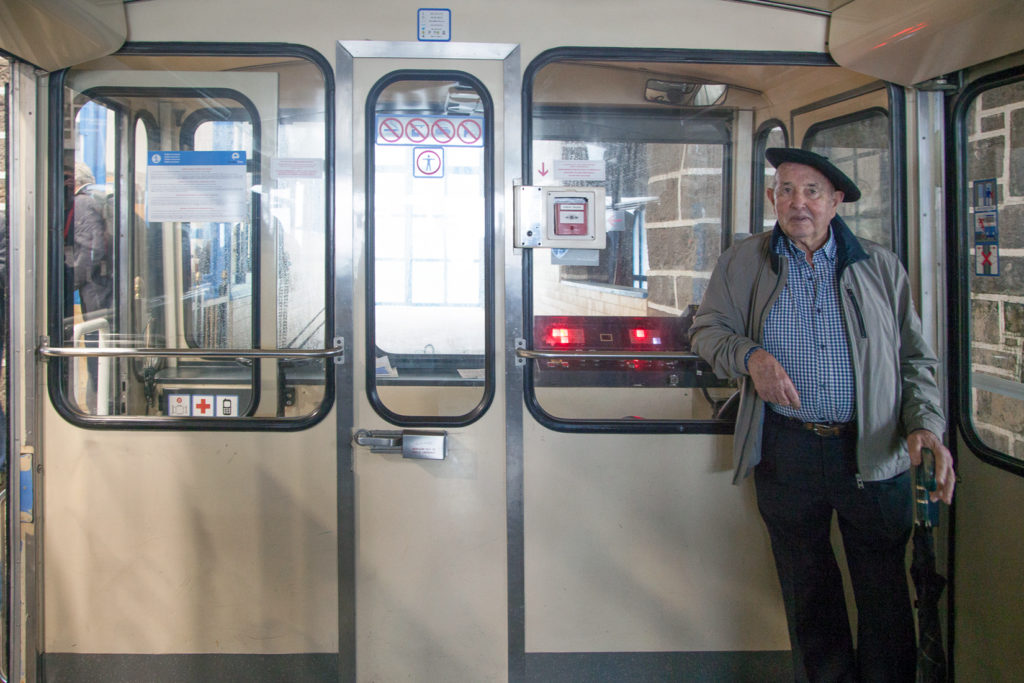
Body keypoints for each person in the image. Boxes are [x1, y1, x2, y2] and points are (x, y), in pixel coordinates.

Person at [690, 148, 955, 683]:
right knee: (808, 594)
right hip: (787, 449)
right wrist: (751, 358)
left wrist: (925, 425)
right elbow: (706, 329)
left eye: (811, 192)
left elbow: (915, 359)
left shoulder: (878, 266)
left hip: (875, 452)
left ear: (835, 202)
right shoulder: (743, 262)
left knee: (884, 595)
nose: (798, 203)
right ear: (772, 199)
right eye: (786, 190)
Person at [64, 162, 112, 412]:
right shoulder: (101, 198)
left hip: (96, 291)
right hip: (107, 288)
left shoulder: (82, 203)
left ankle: (99, 408)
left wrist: (66, 284)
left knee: (97, 352)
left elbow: (90, 250)